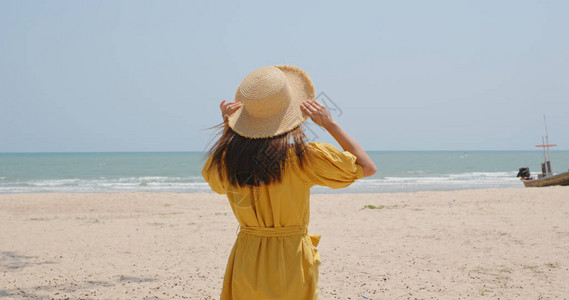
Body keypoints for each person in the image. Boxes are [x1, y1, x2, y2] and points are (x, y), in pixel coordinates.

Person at [202, 65, 377, 299]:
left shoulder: (227, 161)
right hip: (291, 258)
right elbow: (367, 167)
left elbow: (215, 183)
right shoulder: (303, 159)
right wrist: (329, 124)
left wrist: (229, 130)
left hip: (247, 256)